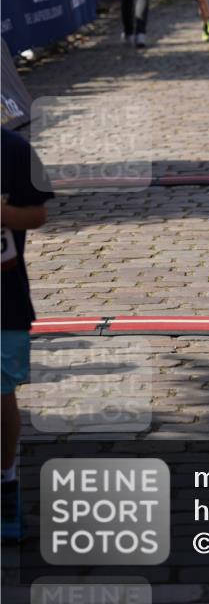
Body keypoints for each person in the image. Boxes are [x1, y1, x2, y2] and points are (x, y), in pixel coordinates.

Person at [1, 128, 53, 542]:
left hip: (5, 297)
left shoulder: (13, 150)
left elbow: (36, 215)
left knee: (1, 395)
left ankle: (7, 483)